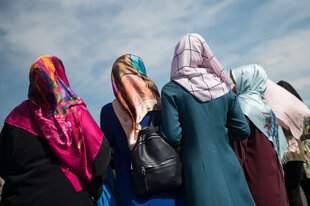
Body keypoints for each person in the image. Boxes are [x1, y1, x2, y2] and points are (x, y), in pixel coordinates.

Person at [0, 55, 111, 206]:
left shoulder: (15, 118)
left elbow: (3, 166)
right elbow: (100, 157)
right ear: (59, 77)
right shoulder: (74, 112)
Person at [160, 33, 255, 206]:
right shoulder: (223, 88)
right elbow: (242, 130)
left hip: (198, 168)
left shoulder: (171, 91)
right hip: (229, 162)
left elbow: (173, 136)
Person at [100, 54, 186, 206]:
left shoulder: (109, 112)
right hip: (171, 188)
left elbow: (108, 152)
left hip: (133, 192)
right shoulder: (163, 104)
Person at [230, 64, 289, 206]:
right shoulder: (265, 107)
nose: (232, 87)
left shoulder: (243, 106)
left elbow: (238, 150)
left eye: (235, 82)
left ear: (247, 82)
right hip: (273, 174)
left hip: (255, 175)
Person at [264, 79, 310, 205]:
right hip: (302, 157)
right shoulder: (300, 111)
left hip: (289, 157)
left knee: (292, 193)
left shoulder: (279, 111)